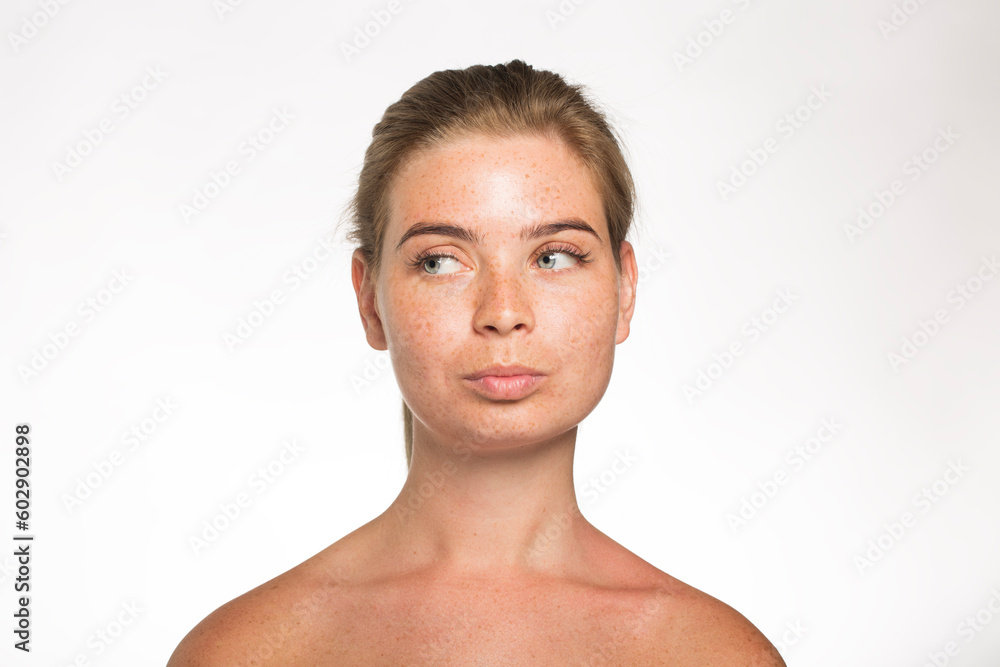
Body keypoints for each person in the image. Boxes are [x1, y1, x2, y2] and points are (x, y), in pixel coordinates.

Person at [168, 59, 784, 665]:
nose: (503, 311)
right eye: (439, 261)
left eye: (555, 256)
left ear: (624, 290)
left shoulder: (716, 654)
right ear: (370, 301)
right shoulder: (247, 653)